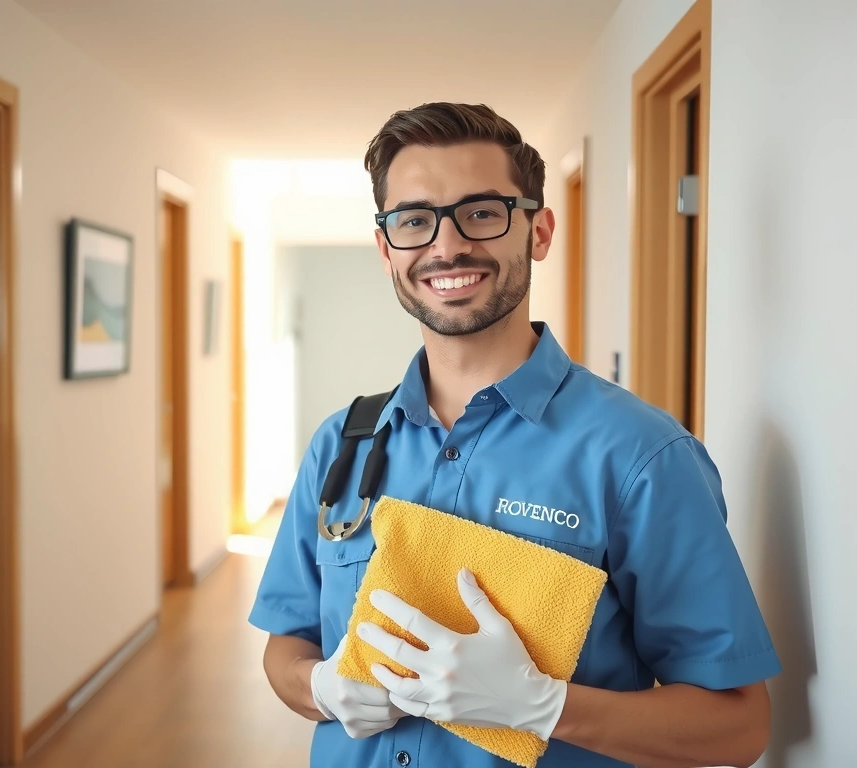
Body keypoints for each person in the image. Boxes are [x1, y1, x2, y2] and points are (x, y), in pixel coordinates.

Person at [248, 102, 780, 768]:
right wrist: (320, 688)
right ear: (387, 248)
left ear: (539, 230)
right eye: (414, 220)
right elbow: (284, 647)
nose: (446, 246)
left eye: (481, 212)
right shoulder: (343, 445)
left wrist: (546, 706)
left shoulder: (639, 456)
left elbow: (738, 727)